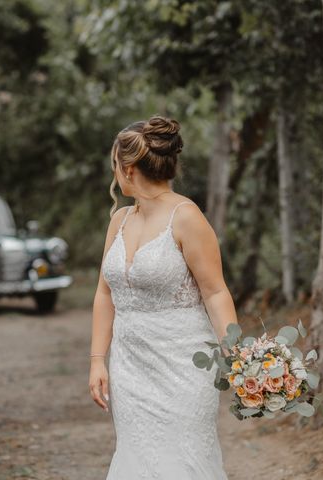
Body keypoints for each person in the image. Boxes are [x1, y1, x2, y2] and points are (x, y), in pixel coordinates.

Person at [89, 115, 238, 479]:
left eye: (115, 165)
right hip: (130, 370)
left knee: (181, 462)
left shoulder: (187, 217)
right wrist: (97, 359)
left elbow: (216, 291)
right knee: (138, 458)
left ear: (127, 169)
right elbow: (105, 293)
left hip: (183, 369)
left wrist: (239, 356)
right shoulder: (119, 220)